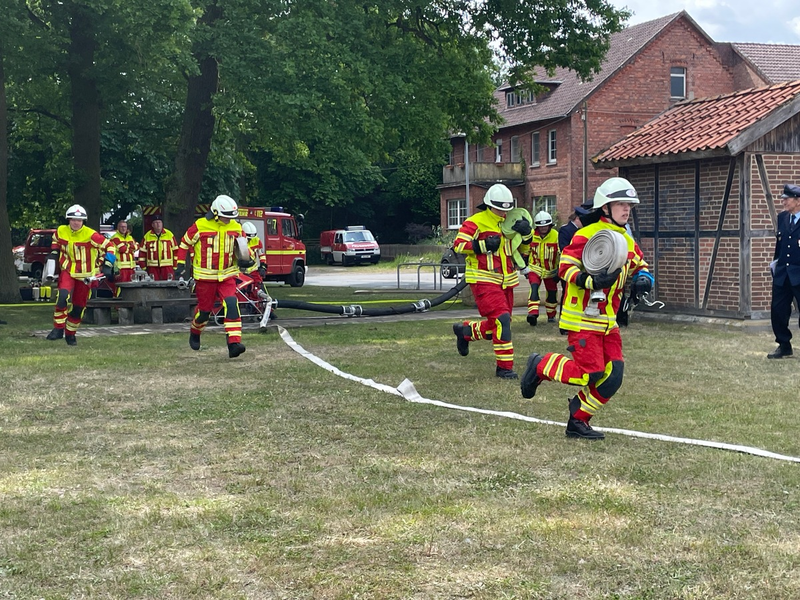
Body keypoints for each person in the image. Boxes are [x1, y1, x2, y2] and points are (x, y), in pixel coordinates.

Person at [520, 177, 654, 440]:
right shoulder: (586, 235)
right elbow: (565, 267)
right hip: (582, 318)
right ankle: (541, 366)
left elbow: (641, 266)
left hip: (608, 321)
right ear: (605, 207)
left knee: (613, 376)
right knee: (589, 373)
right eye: (621, 204)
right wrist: (589, 280)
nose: (626, 209)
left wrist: (643, 280)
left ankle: (578, 421)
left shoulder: (627, 240)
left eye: (629, 205)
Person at [452, 183, 532, 379]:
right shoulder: (476, 221)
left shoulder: (511, 222)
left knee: (498, 326)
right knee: (501, 321)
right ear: (489, 205)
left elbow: (522, 252)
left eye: (506, 209)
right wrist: (482, 245)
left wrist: (527, 235)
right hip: (483, 280)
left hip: (507, 281)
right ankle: (504, 368)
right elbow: (458, 245)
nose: (503, 213)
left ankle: (465, 331)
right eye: (499, 209)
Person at [175, 194, 254, 358]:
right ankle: (195, 331)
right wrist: (180, 264)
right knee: (204, 312)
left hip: (227, 276)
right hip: (205, 278)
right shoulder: (200, 225)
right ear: (215, 213)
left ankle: (233, 343)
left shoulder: (236, 227)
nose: (228, 220)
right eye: (226, 217)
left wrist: (248, 259)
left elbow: (244, 247)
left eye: (231, 217)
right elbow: (184, 244)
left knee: (232, 304)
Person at [45, 205, 116, 345]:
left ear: (83, 221)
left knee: (78, 307)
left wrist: (108, 264)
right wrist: (54, 252)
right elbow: (56, 241)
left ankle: (70, 334)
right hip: (68, 270)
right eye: (73, 219)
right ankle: (58, 328)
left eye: (79, 220)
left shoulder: (91, 235)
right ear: (69, 220)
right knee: (62, 298)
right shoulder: (61, 230)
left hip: (85, 276)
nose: (76, 222)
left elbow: (110, 246)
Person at [768, 183, 800, 359]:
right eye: (783, 199)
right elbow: (779, 246)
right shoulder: (782, 218)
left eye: (787, 199)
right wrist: (775, 266)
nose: (784, 202)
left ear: (798, 201)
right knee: (778, 310)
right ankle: (784, 345)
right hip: (782, 274)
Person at [525, 211, 560, 326]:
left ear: (550, 225)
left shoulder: (556, 236)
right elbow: (526, 251)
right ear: (537, 226)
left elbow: (561, 253)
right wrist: (524, 267)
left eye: (546, 225)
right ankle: (533, 314)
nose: (543, 228)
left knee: (552, 293)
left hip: (551, 271)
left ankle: (551, 315)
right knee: (534, 288)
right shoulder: (531, 235)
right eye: (541, 226)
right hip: (535, 268)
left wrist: (560, 270)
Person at [139, 215, 177, 280]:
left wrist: (175, 266)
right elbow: (142, 252)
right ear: (152, 225)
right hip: (152, 267)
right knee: (154, 284)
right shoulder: (147, 236)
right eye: (156, 222)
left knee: (168, 284)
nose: (158, 224)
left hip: (167, 266)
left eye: (159, 222)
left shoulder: (169, 234)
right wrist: (143, 267)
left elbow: (175, 250)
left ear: (162, 224)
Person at [108, 220, 138, 293]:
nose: (123, 228)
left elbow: (137, 246)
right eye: (121, 227)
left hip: (131, 268)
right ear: (118, 228)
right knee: (119, 290)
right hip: (120, 269)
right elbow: (122, 249)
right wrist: (131, 247)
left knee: (131, 290)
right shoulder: (115, 238)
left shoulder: (130, 237)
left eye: (125, 227)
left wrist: (127, 246)